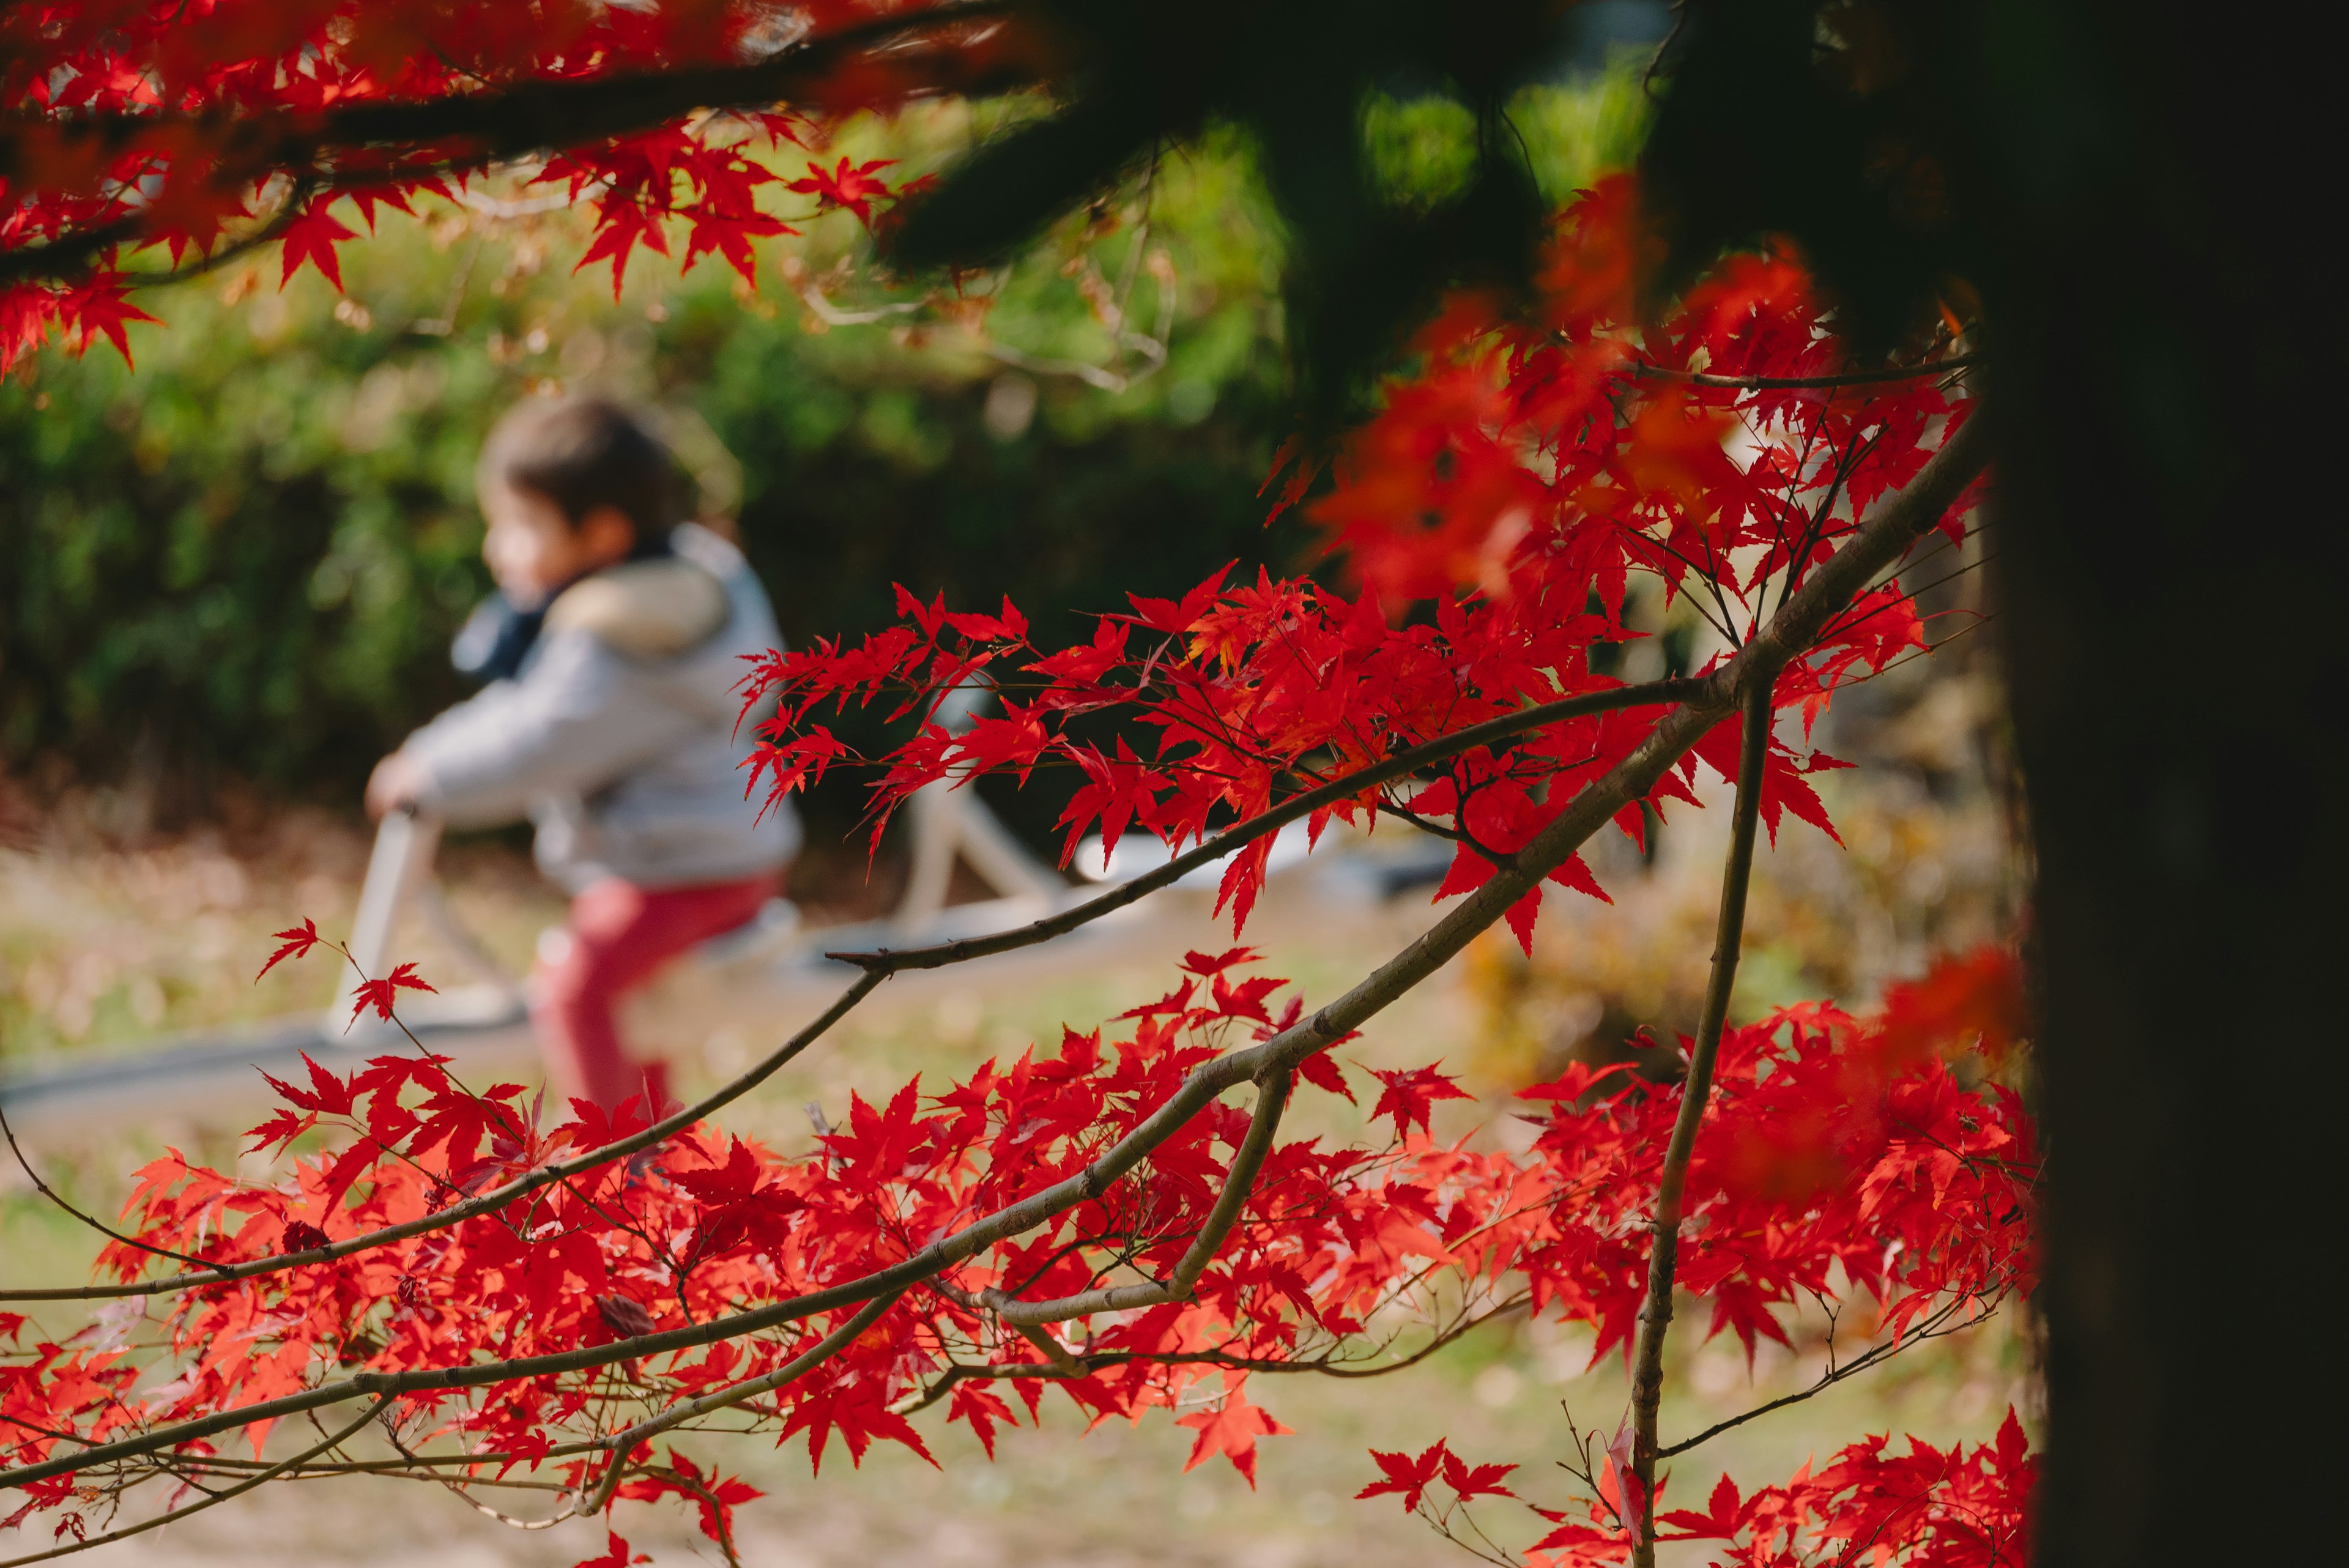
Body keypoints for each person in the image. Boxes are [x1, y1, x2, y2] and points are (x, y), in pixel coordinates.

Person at [367, 397, 800, 1120]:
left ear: (601, 535)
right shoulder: (694, 580)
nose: (495, 548)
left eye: (520, 526)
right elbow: (527, 709)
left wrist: (426, 773)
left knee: (574, 984)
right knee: (631, 1005)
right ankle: (658, 1155)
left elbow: (536, 741)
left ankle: (622, 1175)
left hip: (680, 873)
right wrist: (430, 751)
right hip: (720, 859)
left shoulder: (619, 641)